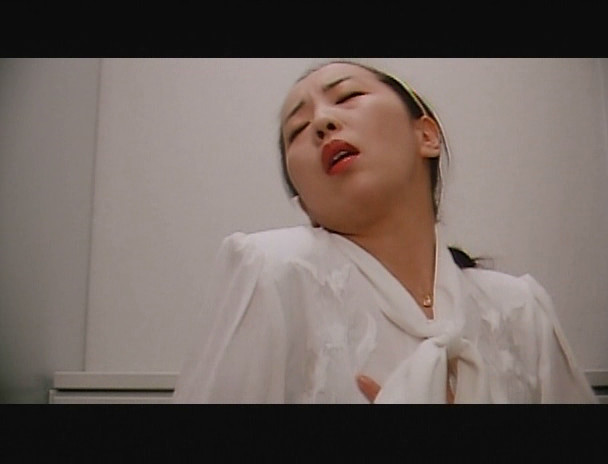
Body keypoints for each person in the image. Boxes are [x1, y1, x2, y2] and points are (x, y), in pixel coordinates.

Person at [172, 60, 597, 403]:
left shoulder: (520, 310)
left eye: (348, 96)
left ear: (426, 136)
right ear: (305, 204)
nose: (321, 122)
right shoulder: (273, 271)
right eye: (297, 130)